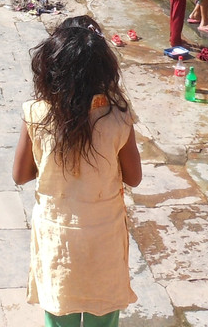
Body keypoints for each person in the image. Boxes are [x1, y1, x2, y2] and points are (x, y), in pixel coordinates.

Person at [13, 27, 142, 327]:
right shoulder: (119, 116)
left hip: (58, 237)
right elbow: (133, 178)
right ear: (105, 72)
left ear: (49, 70)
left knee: (60, 312)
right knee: (103, 313)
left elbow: (20, 175)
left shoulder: (36, 112)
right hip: (104, 235)